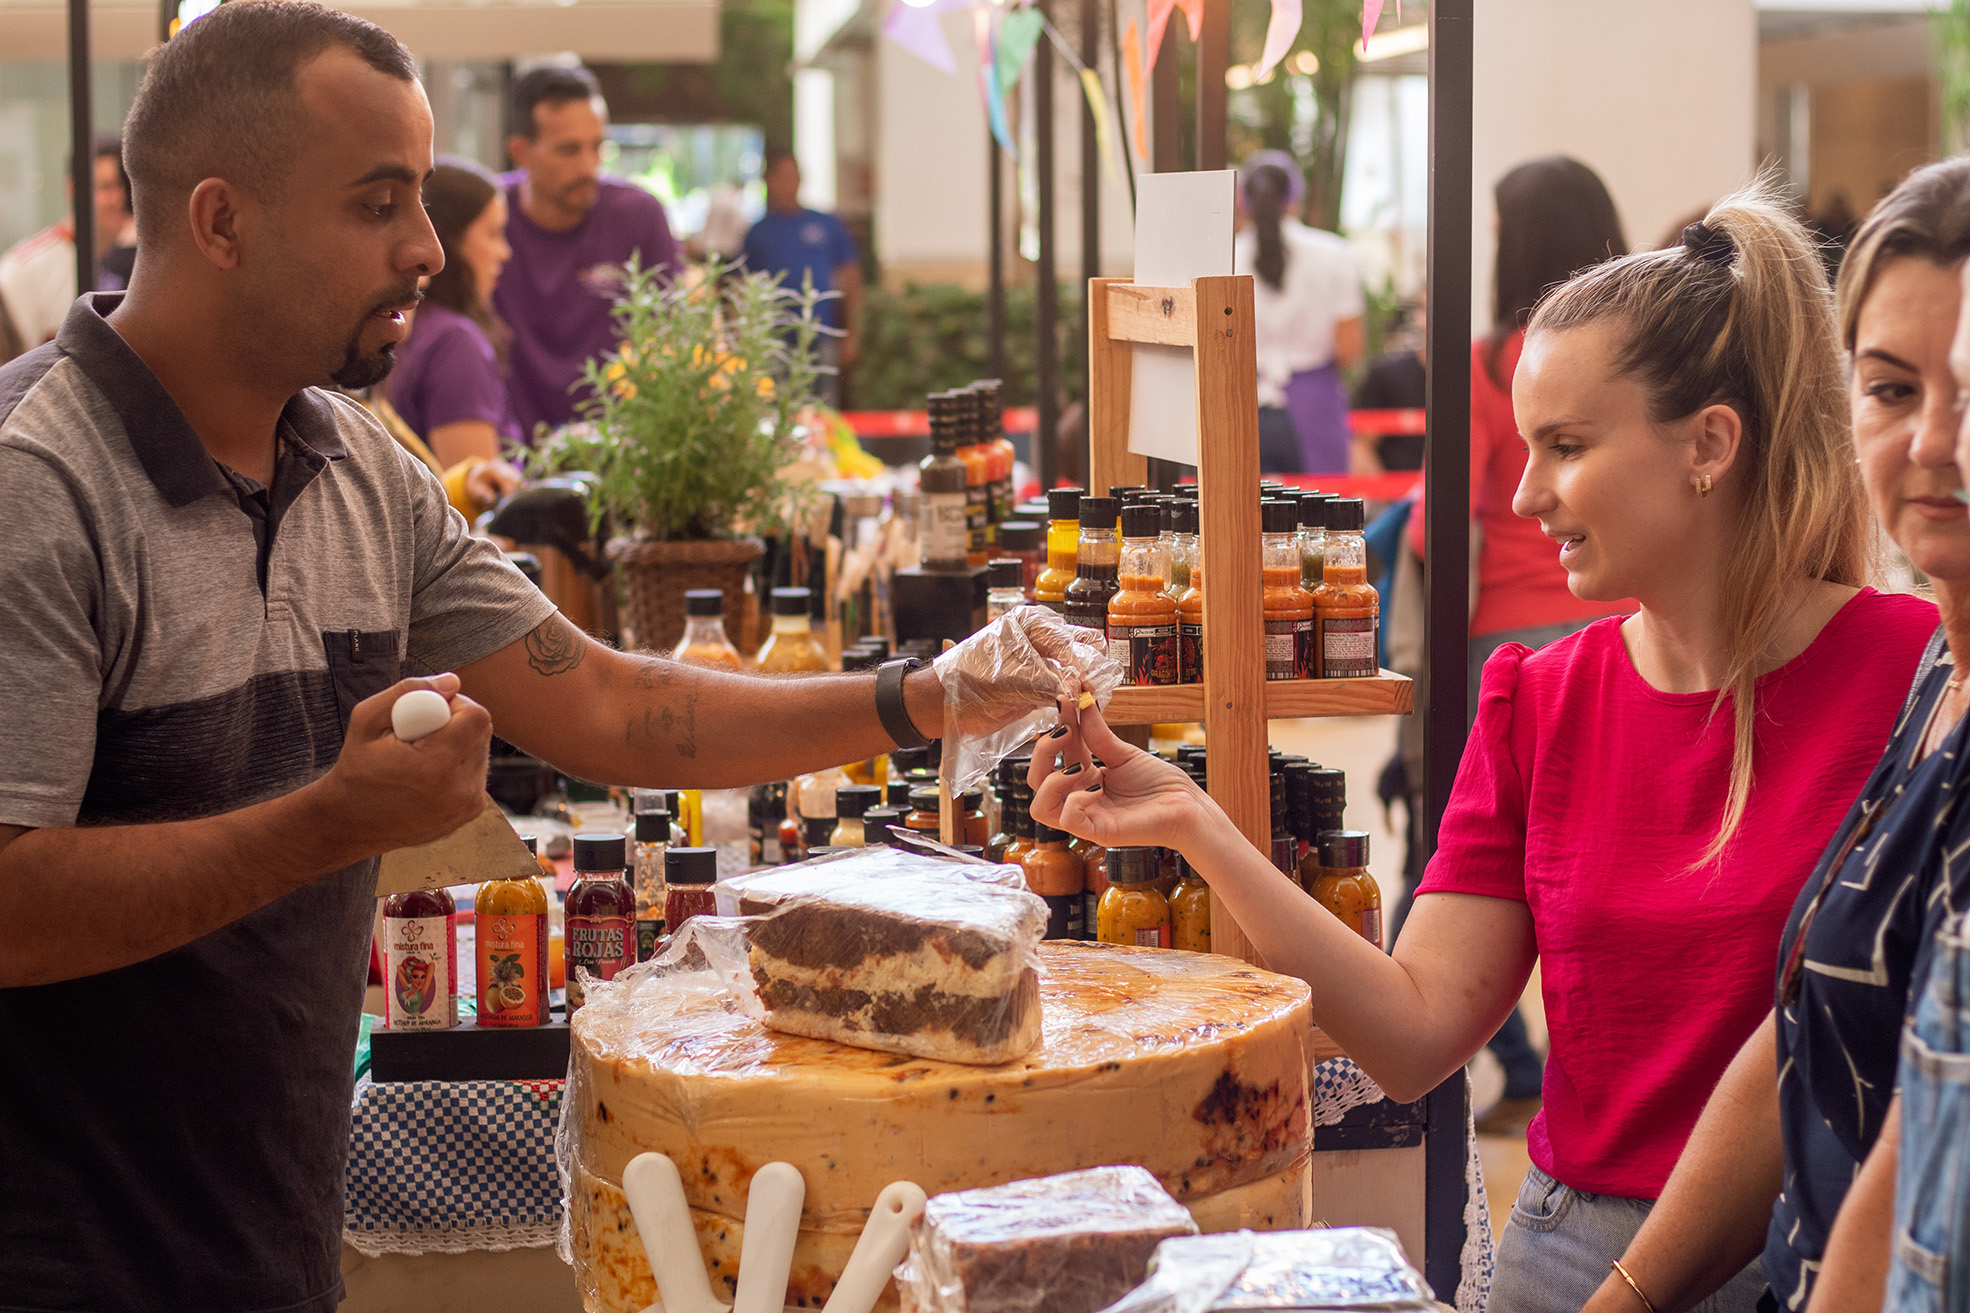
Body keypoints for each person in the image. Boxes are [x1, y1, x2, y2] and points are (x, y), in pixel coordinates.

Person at [0, 6, 1053, 1308]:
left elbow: (607, 700)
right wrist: (326, 823)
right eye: (378, 202)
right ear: (222, 224)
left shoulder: (356, 466)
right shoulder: (35, 486)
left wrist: (932, 694)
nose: (428, 248)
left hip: (266, 1238)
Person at [1027, 183, 1938, 1313]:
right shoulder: (1538, 694)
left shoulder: (1913, 674)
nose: (1522, 492)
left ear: (1707, 444)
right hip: (1569, 1249)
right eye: (1522, 445)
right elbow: (1412, 1028)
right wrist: (1197, 824)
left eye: (1563, 445)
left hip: (1817, 1244)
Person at [1572, 158, 1970, 1313]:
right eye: (1891, 390)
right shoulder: (1937, 674)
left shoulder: (1890, 653)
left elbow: (1912, 1159)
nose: (1932, 443)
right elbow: (1810, 1034)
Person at [1407, 156, 1640, 1128]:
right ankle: (1590, 1067)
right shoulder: (1635, 365)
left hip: (1508, 642)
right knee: (1602, 863)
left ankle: (1506, 1052)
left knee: (1476, 860)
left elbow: (1437, 526)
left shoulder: (1486, 366)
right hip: (1617, 626)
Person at [492, 64, 678, 439]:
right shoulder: (488, 217)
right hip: (512, 458)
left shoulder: (639, 216)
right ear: (520, 151)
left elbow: (667, 340)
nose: (588, 166)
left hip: (620, 453)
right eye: (568, 150)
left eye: (597, 146)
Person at [384, 156, 524, 496]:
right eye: (492, 234)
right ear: (449, 240)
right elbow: (482, 504)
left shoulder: (404, 327)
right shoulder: (456, 345)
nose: (504, 252)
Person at [1235, 151, 1365, 474]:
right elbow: (1348, 347)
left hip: (1239, 402)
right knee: (1323, 515)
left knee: (1238, 514)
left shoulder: (1224, 257)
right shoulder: (1335, 254)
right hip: (1313, 402)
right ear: (1295, 198)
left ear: (1244, 201)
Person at [742, 150, 862, 407]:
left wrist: (851, 333)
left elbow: (850, 276)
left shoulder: (827, 223)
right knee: (777, 407)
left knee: (824, 408)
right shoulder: (758, 232)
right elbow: (743, 286)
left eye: (793, 176)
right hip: (775, 338)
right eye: (782, 176)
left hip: (820, 334)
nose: (789, 182)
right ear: (769, 181)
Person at [0, 135, 134, 347]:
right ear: (74, 190)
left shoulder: (131, 262)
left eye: (124, 187)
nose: (118, 199)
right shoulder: (26, 268)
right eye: (107, 187)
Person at [1351, 288, 1426, 474]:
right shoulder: (1384, 374)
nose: (1427, 320)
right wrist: (1388, 500)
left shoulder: (1471, 377)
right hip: (1394, 497)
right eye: (1423, 309)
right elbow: (1361, 448)